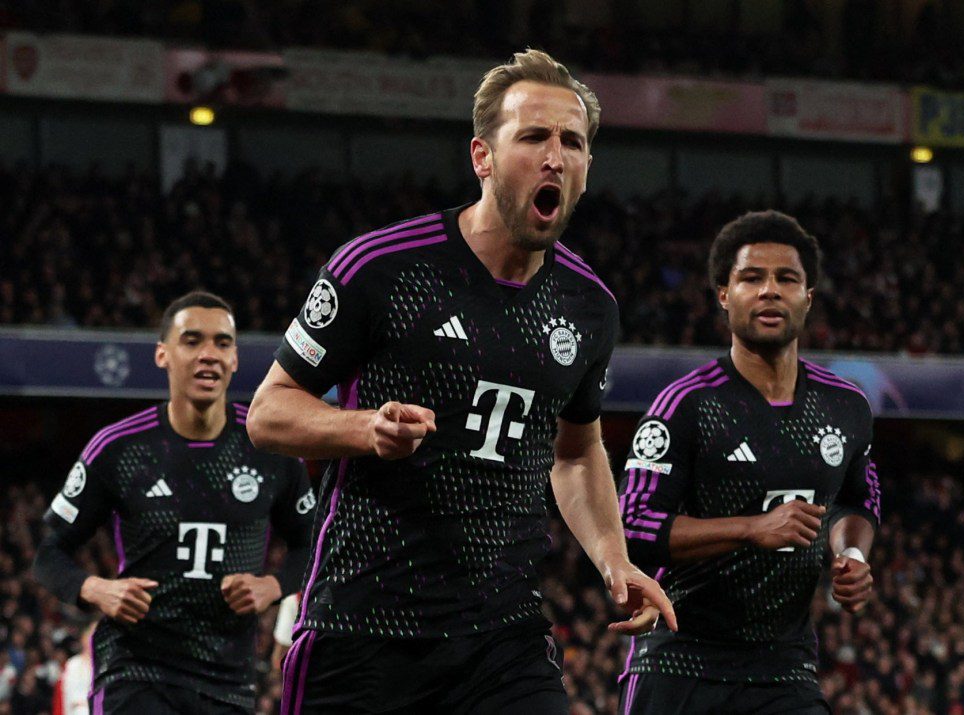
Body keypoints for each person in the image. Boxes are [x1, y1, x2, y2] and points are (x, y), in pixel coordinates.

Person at [247, 48, 676, 713]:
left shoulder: (591, 306)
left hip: (501, 638)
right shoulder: (381, 267)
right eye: (534, 136)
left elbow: (577, 449)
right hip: (362, 630)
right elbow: (268, 412)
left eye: (573, 142)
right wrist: (362, 428)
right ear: (482, 156)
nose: (555, 156)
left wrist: (614, 559)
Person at [617, 210, 880, 714]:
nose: (769, 291)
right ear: (723, 295)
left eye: (787, 278)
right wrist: (751, 528)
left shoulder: (847, 406)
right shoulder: (685, 405)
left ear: (809, 296)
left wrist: (852, 555)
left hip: (785, 669)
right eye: (751, 277)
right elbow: (631, 527)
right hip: (680, 663)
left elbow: (858, 499)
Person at [33, 291, 316, 714]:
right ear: (162, 355)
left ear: (235, 359)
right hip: (136, 670)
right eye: (192, 340)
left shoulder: (269, 450)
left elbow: (313, 546)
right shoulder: (118, 447)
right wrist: (96, 589)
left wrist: (273, 586)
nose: (209, 354)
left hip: (229, 680)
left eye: (222, 343)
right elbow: (49, 554)